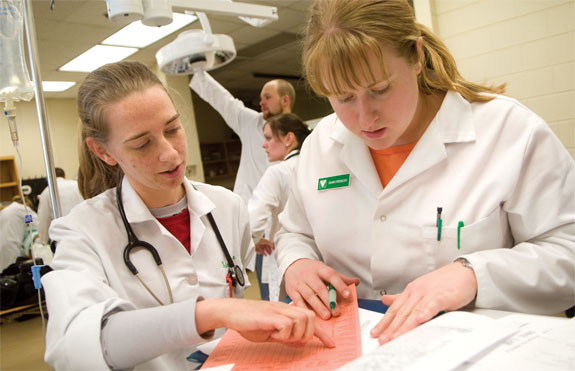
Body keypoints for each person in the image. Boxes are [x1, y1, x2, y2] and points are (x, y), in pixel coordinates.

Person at [275, 0, 575, 346]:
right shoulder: (320, 146)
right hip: (355, 349)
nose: (364, 117)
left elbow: (567, 251)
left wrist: (474, 275)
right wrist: (296, 262)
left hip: (475, 351)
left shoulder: (509, 132)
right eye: (342, 98)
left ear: (416, 56)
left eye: (380, 89)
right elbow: (294, 232)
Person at [41, 61, 333, 370]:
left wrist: (297, 262)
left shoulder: (226, 206)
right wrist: (211, 313)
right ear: (103, 152)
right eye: (142, 144)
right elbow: (75, 347)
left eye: (172, 129)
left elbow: (277, 246)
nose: (170, 153)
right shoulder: (80, 231)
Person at [190, 72, 296, 205]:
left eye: (267, 97)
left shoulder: (299, 136)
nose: (261, 103)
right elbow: (224, 101)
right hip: (248, 207)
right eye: (261, 98)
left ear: (285, 100)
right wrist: (197, 70)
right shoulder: (251, 122)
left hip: (283, 211)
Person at [248, 113, 311, 301]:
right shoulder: (315, 166)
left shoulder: (277, 172)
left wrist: (256, 239)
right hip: (321, 257)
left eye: (268, 138)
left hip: (287, 258)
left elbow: (253, 221)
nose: (263, 145)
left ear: (289, 139)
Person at [36, 167, 83, 244]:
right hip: (85, 232)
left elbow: (44, 219)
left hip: (65, 238)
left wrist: (43, 240)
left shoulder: (47, 191)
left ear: (48, 178)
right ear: (64, 176)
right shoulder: (77, 185)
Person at [0, 195, 38, 272]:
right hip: (12, 247)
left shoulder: (6, 210)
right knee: (14, 273)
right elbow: (37, 224)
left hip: (3, 248)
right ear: (27, 203)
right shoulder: (23, 209)